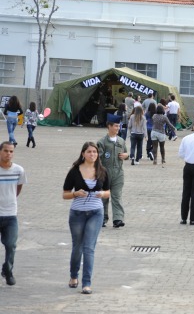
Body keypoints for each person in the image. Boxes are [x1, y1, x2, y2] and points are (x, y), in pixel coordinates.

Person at [62, 141, 110, 294]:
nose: (92, 154)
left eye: (95, 152)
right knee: (78, 247)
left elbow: (109, 192)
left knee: (89, 248)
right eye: (89, 152)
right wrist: (75, 194)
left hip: (96, 213)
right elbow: (65, 194)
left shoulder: (102, 171)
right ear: (83, 154)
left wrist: (103, 194)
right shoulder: (74, 171)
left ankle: (86, 283)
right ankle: (73, 275)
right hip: (77, 214)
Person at [0, 141, 26, 286]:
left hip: (10, 214)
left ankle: (8, 270)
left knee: (11, 245)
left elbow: (18, 189)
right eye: (5, 151)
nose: (8, 154)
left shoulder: (19, 170)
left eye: (11, 151)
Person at [97, 121, 128, 228]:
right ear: (109, 126)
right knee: (104, 197)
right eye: (116, 126)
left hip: (118, 173)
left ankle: (118, 219)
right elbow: (98, 159)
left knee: (117, 196)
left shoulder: (121, 141)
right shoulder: (102, 142)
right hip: (105, 173)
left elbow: (126, 153)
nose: (118, 128)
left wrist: (126, 155)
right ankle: (101, 218)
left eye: (119, 126)